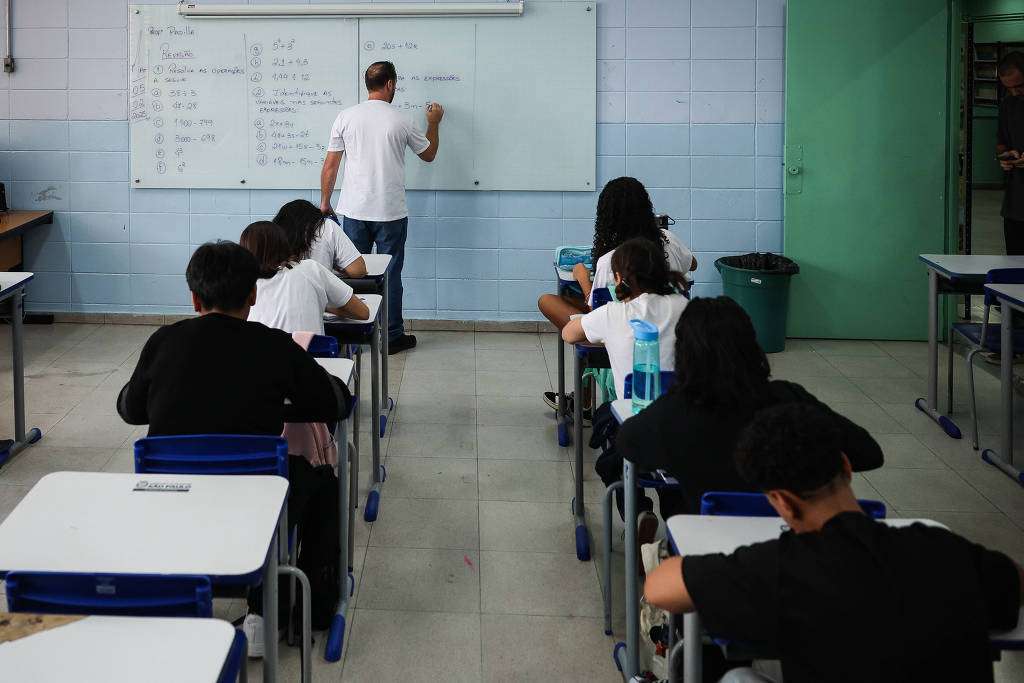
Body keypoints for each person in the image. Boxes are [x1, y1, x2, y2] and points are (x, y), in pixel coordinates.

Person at [644, 403, 1024, 683]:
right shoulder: (942, 548)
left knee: (736, 678)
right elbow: (1015, 580)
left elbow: (661, 587)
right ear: (846, 466)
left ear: (781, 501)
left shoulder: (779, 570)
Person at [116, 241, 355, 657]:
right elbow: (334, 403)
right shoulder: (273, 345)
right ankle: (282, 610)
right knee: (322, 479)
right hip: (254, 495)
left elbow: (129, 409)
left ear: (194, 298)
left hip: (174, 495)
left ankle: (176, 598)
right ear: (253, 295)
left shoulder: (164, 341)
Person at [616, 296, 882, 529]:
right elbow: (868, 453)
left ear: (683, 354)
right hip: (796, 541)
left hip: (708, 547)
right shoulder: (790, 399)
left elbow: (627, 442)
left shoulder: (673, 413)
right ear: (752, 346)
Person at [319, 60, 444, 354]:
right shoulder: (402, 120)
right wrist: (434, 123)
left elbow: (331, 165)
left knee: (353, 273)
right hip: (391, 213)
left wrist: (325, 203)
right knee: (390, 274)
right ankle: (392, 337)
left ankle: (353, 336)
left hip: (354, 211)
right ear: (390, 84)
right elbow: (428, 154)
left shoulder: (346, 117)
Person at [540, 176, 696, 409]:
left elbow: (595, 309)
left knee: (552, 303)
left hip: (616, 339)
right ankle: (583, 399)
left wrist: (582, 278)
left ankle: (583, 401)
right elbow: (692, 264)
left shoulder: (611, 261)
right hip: (668, 338)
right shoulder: (669, 242)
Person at [562, 237, 689, 402]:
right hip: (682, 409)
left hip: (632, 413)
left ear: (618, 278)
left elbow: (568, 334)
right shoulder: (683, 305)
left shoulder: (612, 313)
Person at [240, 221, 369, 335]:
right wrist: (322, 304)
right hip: (311, 353)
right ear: (284, 244)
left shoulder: (241, 283)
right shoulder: (310, 269)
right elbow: (363, 312)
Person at [273, 198, 367, 278]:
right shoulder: (327, 225)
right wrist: (335, 268)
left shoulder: (274, 232)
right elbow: (358, 270)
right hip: (322, 291)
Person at [997, 51, 1024, 255]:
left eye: (1019, 86)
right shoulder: (1008, 105)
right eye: (1009, 88)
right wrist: (1005, 156)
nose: (1015, 92)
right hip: (1016, 204)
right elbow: (1001, 142)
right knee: (1014, 263)